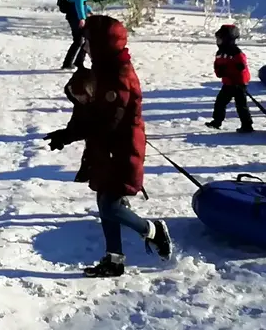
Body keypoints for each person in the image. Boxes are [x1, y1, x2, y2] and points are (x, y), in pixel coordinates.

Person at [43, 15, 172, 278]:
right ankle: (114, 259)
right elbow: (91, 113)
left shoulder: (119, 77)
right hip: (108, 149)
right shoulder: (104, 70)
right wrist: (66, 132)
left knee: (112, 205)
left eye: (89, 42)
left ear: (102, 44)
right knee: (105, 201)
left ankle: (153, 230)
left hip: (121, 150)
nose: (85, 47)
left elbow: (105, 122)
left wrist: (72, 134)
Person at [207, 24, 253, 133]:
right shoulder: (220, 53)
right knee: (220, 102)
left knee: (241, 105)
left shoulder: (237, 53)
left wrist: (234, 72)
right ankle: (217, 121)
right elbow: (217, 65)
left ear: (227, 40)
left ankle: (247, 125)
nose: (217, 41)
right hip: (228, 83)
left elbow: (241, 67)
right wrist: (219, 71)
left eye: (219, 39)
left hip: (238, 83)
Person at [58, 0, 92, 70]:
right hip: (76, 17)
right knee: (80, 40)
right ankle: (70, 63)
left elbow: (81, 4)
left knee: (82, 40)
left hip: (71, 16)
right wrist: (82, 18)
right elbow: (79, 4)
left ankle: (75, 62)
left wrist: (88, 10)